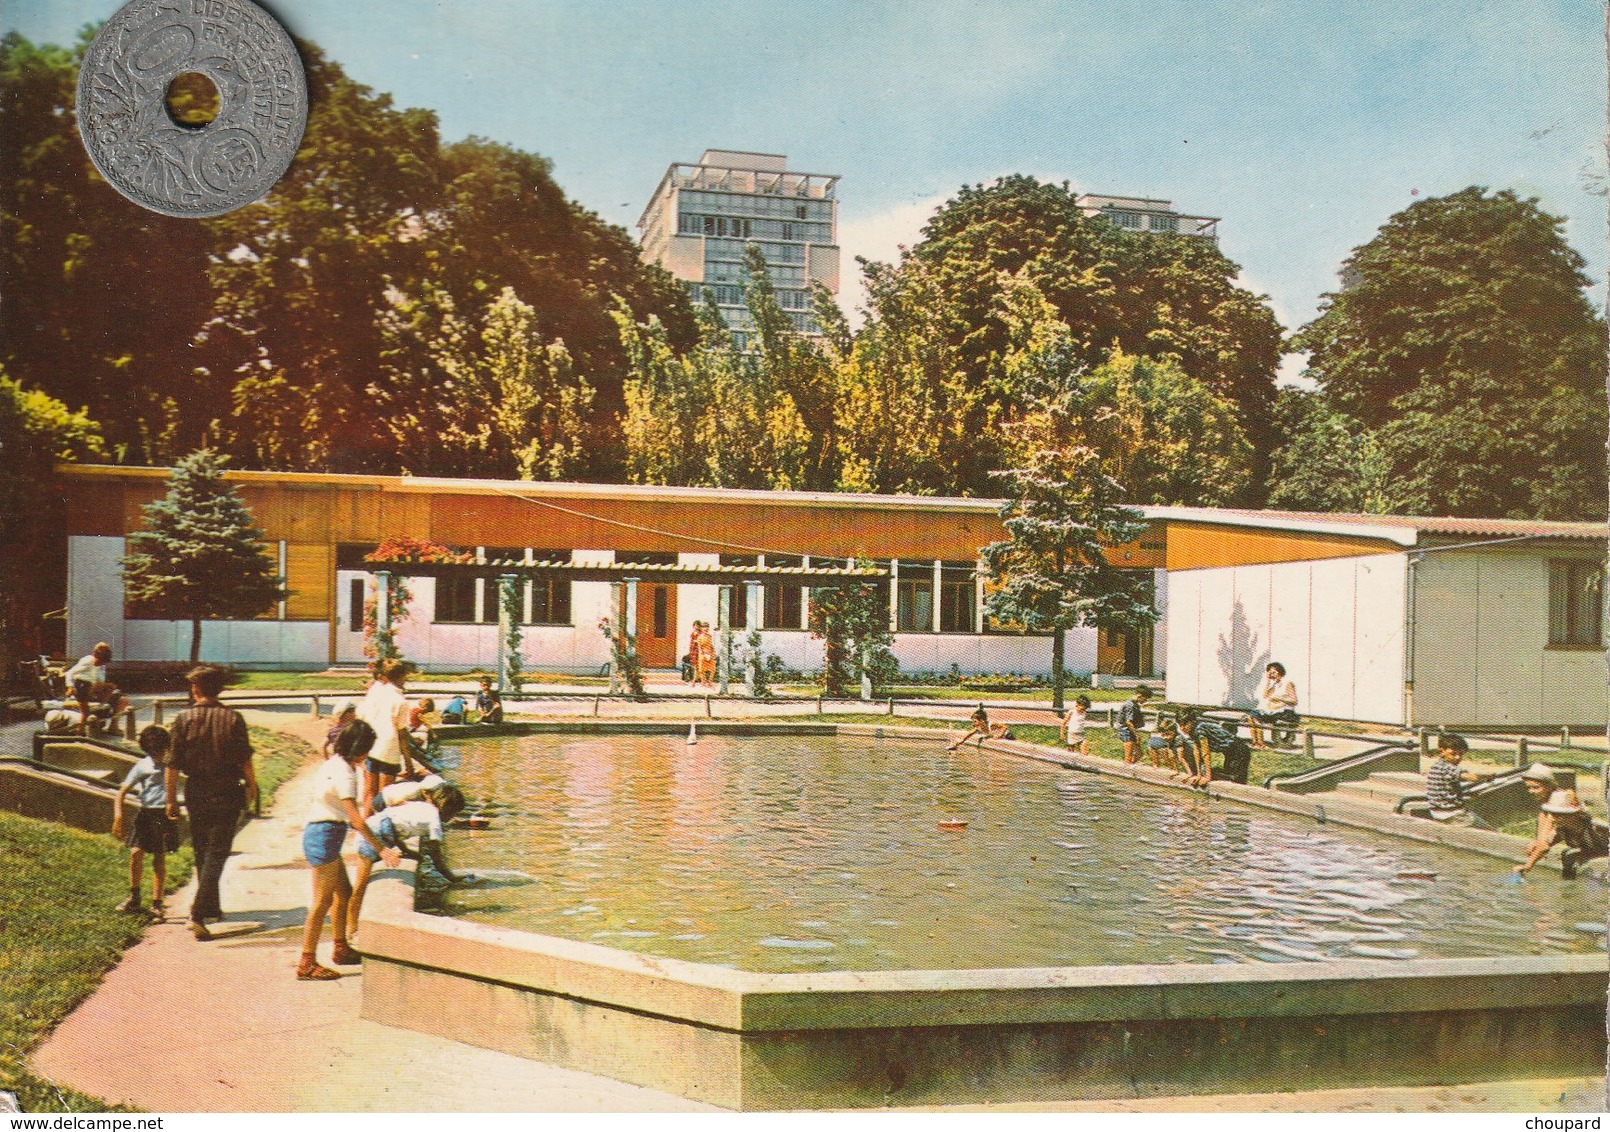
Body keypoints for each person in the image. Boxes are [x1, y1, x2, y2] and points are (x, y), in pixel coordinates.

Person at [298, 719, 402, 980]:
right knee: (321, 902)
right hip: (323, 835)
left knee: (343, 893)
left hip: (324, 834)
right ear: (360, 749)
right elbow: (356, 819)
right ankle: (307, 962)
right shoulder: (345, 773)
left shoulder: (334, 762)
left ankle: (340, 947)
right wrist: (382, 849)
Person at [165, 664, 258, 941]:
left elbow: (172, 765)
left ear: (195, 689)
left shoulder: (183, 719)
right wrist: (252, 787)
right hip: (228, 789)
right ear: (220, 690)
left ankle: (211, 906)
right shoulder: (233, 719)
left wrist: (171, 799)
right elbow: (245, 759)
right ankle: (198, 912)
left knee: (202, 849)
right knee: (217, 852)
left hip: (196, 790)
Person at [348, 780, 469, 933]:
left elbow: (396, 823)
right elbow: (435, 854)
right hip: (374, 835)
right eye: (454, 814)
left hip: (376, 827)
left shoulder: (422, 806)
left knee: (361, 885)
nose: (453, 819)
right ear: (447, 810)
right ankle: (352, 929)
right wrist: (451, 877)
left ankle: (352, 926)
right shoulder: (434, 821)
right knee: (360, 887)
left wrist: (408, 851)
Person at [111, 725, 179, 917]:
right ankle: (134, 897)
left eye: (161, 751)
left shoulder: (171, 766)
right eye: (154, 752)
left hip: (163, 815)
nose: (158, 755)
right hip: (145, 815)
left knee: (159, 858)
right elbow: (120, 793)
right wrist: (118, 816)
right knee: (135, 853)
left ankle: (157, 903)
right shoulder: (142, 766)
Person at [1515, 766, 1609, 879]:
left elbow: (1543, 846)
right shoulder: (1560, 827)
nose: (1531, 792)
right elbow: (1544, 843)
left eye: (1536, 787)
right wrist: (1536, 845)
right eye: (1528, 788)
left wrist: (1528, 865)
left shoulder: (1594, 827)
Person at [356, 657, 415, 815]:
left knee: (369, 793)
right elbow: (402, 734)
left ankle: (365, 827)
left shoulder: (374, 691)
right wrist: (409, 763)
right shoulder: (400, 701)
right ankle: (380, 832)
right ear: (401, 677)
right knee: (385, 796)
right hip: (388, 750)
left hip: (371, 747)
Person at [1177, 709, 1253, 787]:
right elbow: (1197, 752)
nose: (1182, 728)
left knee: (1237, 780)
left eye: (1185, 724)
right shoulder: (1191, 731)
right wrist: (1199, 774)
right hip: (1229, 751)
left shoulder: (1200, 729)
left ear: (1192, 721)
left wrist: (1208, 777)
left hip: (1239, 749)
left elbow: (1206, 753)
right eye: (1180, 725)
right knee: (1230, 775)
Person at [1424, 732, 1486, 826]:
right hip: (1453, 814)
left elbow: (1446, 790)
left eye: (1461, 754)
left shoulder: (1435, 767)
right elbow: (1472, 777)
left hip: (1437, 813)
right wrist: (1488, 776)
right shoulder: (1447, 767)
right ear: (1441, 751)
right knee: (1494, 835)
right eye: (1453, 754)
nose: (1458, 757)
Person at [1247, 662, 1299, 749]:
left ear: (1280, 671)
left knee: (1255, 716)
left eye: (1274, 672)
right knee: (1251, 716)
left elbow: (1294, 701)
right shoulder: (1275, 684)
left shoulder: (1288, 683)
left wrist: (1280, 699)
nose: (1272, 675)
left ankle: (1261, 743)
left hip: (1285, 711)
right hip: (1275, 710)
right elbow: (1265, 695)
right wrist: (1267, 682)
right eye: (1270, 673)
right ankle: (1256, 742)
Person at [64, 642, 113, 706]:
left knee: (110, 687)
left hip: (92, 690)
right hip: (81, 689)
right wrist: (70, 687)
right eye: (100, 660)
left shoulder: (102, 666)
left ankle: (103, 704)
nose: (101, 663)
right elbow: (70, 673)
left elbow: (101, 681)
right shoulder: (87, 661)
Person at [1117, 686, 1151, 764]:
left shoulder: (1135, 705)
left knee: (1139, 754)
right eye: (1145, 699)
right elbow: (1128, 722)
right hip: (1126, 732)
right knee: (1128, 757)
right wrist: (1136, 735)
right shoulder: (1130, 705)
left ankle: (1131, 768)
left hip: (1130, 731)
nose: (1145, 701)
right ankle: (1127, 769)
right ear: (1139, 695)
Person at [693, 622, 717, 688]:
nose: (706, 629)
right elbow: (699, 647)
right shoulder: (699, 637)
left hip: (710, 652)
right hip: (702, 654)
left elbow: (711, 645)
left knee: (713, 669)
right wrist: (703, 654)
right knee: (702, 670)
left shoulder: (710, 636)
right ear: (701, 628)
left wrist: (713, 652)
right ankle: (703, 682)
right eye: (704, 627)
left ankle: (710, 682)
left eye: (707, 627)